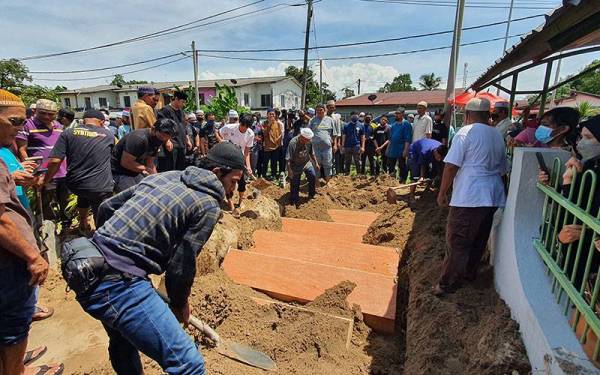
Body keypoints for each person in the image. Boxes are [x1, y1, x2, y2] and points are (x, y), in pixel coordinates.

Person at [63, 142, 245, 375]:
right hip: (118, 285)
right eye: (234, 180)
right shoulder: (208, 204)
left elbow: (108, 207)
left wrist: (115, 249)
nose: (235, 187)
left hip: (89, 263)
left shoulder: (167, 177)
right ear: (217, 173)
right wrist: (180, 305)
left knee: (122, 342)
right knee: (189, 365)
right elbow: (181, 265)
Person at [0, 89, 64, 375]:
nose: (20, 127)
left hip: (12, 250)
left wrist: (14, 178)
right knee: (13, 320)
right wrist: (33, 256)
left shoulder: (5, 150)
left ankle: (14, 361)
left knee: (12, 322)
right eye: (15, 121)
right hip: (9, 255)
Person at [434, 98, 507, 296]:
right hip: (492, 196)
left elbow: (451, 165)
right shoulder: (497, 135)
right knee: (479, 238)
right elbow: (502, 170)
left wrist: (442, 192)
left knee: (457, 241)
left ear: (467, 114)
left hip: (470, 196)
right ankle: (469, 274)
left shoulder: (465, 133)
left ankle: (446, 284)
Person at [538, 115, 600, 291]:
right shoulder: (586, 169)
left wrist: (586, 236)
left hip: (590, 258)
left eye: (589, 138)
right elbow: (570, 206)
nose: (581, 143)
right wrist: (563, 183)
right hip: (575, 252)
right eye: (581, 137)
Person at [44, 109, 115, 229]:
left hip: (76, 184)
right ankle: (101, 236)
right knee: (101, 218)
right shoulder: (108, 135)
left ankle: (83, 223)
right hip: (100, 186)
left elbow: (55, 161)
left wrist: (45, 180)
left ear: (83, 121)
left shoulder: (68, 133)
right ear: (102, 122)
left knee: (83, 195)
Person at [15, 99, 71, 228]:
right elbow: (22, 150)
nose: (47, 117)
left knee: (65, 202)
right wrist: (33, 173)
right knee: (47, 204)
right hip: (43, 174)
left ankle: (65, 228)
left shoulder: (59, 126)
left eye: (50, 114)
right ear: (35, 111)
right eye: (43, 113)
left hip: (62, 172)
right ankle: (48, 230)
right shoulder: (27, 125)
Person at [111, 118, 175, 193]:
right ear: (153, 129)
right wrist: (145, 169)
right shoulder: (138, 138)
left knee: (150, 191)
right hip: (120, 171)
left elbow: (150, 163)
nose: (163, 139)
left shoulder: (159, 139)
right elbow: (126, 163)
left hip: (135, 170)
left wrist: (156, 178)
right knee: (132, 195)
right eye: (161, 137)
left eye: (166, 138)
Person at [219, 113, 255, 210]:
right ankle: (229, 201)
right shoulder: (229, 128)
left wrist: (248, 166)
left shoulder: (250, 134)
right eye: (242, 125)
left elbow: (247, 152)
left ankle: (240, 201)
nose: (244, 128)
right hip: (227, 159)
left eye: (246, 126)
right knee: (227, 181)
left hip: (239, 160)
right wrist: (221, 142)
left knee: (242, 182)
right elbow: (217, 132)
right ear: (240, 122)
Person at [157, 91, 190, 172]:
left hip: (181, 144)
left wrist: (187, 139)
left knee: (181, 168)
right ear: (176, 99)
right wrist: (167, 140)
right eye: (183, 102)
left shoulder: (181, 111)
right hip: (172, 144)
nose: (184, 104)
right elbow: (162, 127)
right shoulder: (165, 110)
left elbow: (183, 126)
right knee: (171, 168)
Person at [287, 128, 320, 206]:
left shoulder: (309, 142)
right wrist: (290, 171)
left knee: (312, 176)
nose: (308, 141)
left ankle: (311, 195)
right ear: (302, 137)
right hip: (295, 165)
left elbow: (312, 154)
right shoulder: (292, 143)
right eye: (306, 140)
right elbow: (288, 159)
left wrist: (316, 163)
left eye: (309, 140)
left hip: (306, 163)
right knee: (295, 183)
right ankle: (293, 200)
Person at [378, 107, 412, 182]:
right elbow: (390, 139)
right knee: (390, 166)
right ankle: (392, 180)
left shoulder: (406, 124)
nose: (396, 115)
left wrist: (405, 150)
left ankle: (402, 180)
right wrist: (387, 149)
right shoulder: (393, 125)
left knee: (402, 166)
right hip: (392, 149)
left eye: (398, 114)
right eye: (396, 114)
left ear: (403, 114)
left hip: (401, 149)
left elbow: (408, 139)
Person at [308, 104, 337, 183]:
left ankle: (328, 181)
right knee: (316, 165)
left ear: (324, 110)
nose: (319, 111)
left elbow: (334, 134)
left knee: (328, 164)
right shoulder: (312, 120)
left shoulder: (330, 120)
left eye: (321, 110)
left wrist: (335, 145)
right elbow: (308, 133)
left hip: (327, 148)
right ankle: (316, 182)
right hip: (315, 148)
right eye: (317, 110)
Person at [261, 109, 283, 180]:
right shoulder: (264, 123)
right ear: (267, 115)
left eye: (273, 114)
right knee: (265, 163)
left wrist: (278, 142)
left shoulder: (278, 123)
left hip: (275, 146)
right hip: (267, 147)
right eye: (270, 114)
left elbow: (280, 134)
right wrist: (269, 125)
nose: (272, 115)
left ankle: (273, 175)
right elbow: (264, 134)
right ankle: (263, 176)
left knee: (274, 162)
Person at [326, 100, 343, 176]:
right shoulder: (323, 116)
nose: (332, 109)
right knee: (326, 159)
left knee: (334, 158)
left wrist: (338, 143)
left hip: (334, 141)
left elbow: (338, 131)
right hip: (325, 141)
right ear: (327, 107)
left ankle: (334, 174)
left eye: (333, 107)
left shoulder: (336, 118)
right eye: (330, 107)